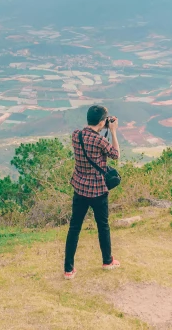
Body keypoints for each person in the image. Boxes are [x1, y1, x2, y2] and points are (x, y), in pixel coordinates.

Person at [63, 104, 121, 280]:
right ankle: (107, 261)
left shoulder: (76, 135)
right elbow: (116, 154)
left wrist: (104, 126)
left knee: (74, 228)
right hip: (97, 190)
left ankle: (68, 269)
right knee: (103, 226)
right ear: (103, 121)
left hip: (79, 188)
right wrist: (113, 131)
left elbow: (89, 138)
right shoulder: (100, 141)